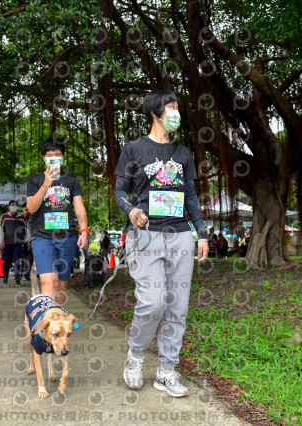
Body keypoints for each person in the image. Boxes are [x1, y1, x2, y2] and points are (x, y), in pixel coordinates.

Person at [114, 88, 209, 398]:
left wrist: (202, 233)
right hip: (146, 236)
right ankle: (136, 357)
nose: (175, 113)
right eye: (170, 107)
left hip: (180, 235)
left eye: (177, 108)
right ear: (155, 112)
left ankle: (166, 371)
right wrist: (132, 211)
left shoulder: (183, 153)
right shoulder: (133, 150)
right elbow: (119, 192)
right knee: (153, 301)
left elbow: (192, 197)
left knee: (177, 308)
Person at [26, 137, 89, 304]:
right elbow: (31, 208)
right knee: (48, 284)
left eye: (58, 154)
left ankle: (56, 324)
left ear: (63, 156)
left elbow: (79, 207)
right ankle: (46, 328)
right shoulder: (35, 180)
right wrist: (46, 183)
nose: (54, 157)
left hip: (67, 237)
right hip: (42, 237)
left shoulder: (71, 180)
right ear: (43, 158)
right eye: (50, 155)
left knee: (61, 287)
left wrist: (84, 231)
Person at [0, 200, 30, 286]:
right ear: (9, 207)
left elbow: (27, 230)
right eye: (12, 205)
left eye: (15, 205)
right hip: (6, 243)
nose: (14, 207)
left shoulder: (22, 218)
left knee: (17, 261)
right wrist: (1, 240)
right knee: (6, 261)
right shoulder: (4, 217)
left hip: (18, 243)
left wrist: (28, 241)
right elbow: (0, 229)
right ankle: (5, 277)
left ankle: (17, 280)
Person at [21, 207, 33, 281]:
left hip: (30, 241)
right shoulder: (19, 218)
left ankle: (27, 274)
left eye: (27, 209)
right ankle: (20, 273)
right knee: (21, 258)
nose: (26, 211)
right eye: (25, 209)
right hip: (21, 241)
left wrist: (30, 241)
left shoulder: (33, 217)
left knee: (30, 259)